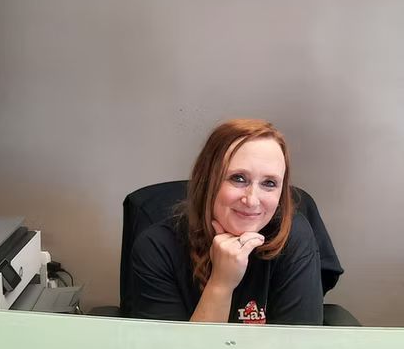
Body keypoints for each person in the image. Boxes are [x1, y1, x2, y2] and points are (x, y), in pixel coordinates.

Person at [129, 119, 323, 324]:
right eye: (238, 178)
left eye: (269, 183)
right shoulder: (157, 247)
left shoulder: (293, 237)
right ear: (207, 181)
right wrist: (221, 284)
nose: (252, 200)